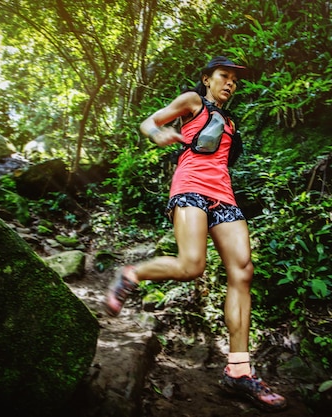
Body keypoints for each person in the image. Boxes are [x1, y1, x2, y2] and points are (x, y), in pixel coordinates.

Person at [105, 56, 287, 411]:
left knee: (243, 271)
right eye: (224, 76)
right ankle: (131, 274)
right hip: (190, 187)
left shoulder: (231, 123)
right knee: (192, 265)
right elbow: (150, 121)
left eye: (235, 80)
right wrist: (159, 135)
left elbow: (221, 159)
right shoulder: (192, 101)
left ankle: (238, 370)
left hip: (224, 195)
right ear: (207, 79)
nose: (230, 83)